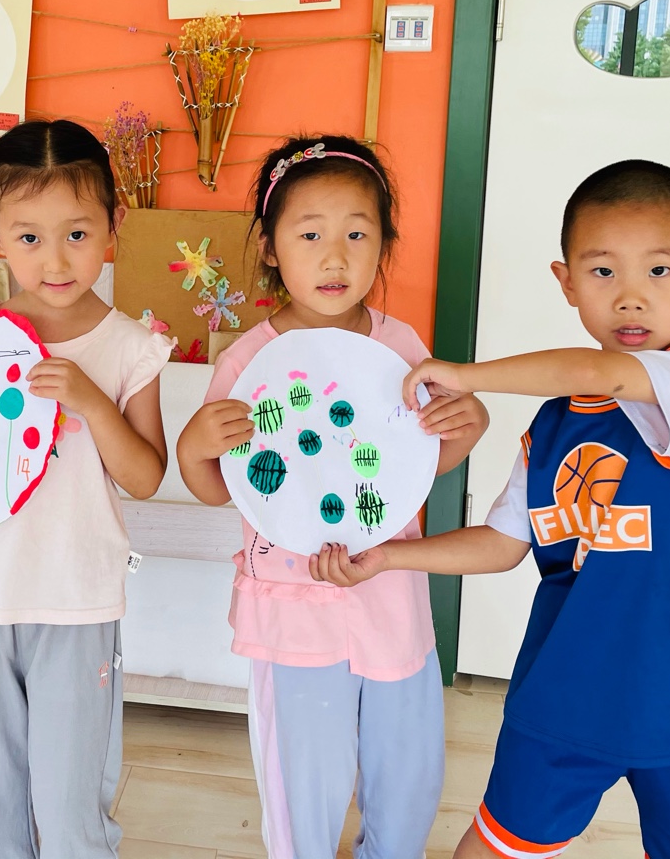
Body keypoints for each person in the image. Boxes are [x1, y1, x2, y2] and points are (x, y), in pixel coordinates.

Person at [312, 160, 670, 859]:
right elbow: (501, 544)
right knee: (493, 846)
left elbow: (597, 372)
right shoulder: (553, 427)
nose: (631, 298)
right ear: (567, 282)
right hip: (564, 688)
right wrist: (388, 557)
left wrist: (465, 375)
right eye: (603, 272)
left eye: (660, 271)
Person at [177, 136, 491, 859]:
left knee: (406, 766)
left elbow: (416, 468)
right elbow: (221, 489)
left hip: (391, 596)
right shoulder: (248, 360)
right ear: (270, 247)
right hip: (294, 611)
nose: (335, 257)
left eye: (357, 234)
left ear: (384, 246)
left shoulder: (400, 345)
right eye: (310, 234)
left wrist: (466, 428)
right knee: (304, 779)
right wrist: (195, 447)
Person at [0, 119, 171, 859]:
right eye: (28, 237)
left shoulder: (132, 348)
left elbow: (145, 478)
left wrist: (92, 402)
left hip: (76, 602)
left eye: (77, 234)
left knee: (69, 805)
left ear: (113, 227)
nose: (55, 260)